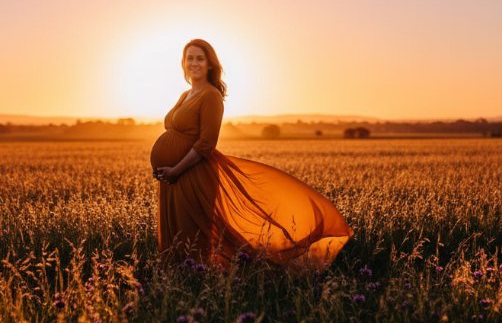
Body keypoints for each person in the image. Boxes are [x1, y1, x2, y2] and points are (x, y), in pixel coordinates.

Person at [150, 38, 353, 270]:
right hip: (172, 179)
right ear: (183, 63)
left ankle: (225, 275)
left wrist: (176, 169)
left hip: (191, 174)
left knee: (193, 234)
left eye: (199, 58)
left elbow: (206, 143)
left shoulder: (211, 96)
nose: (193, 63)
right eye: (189, 58)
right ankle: (176, 279)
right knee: (175, 235)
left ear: (210, 64)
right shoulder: (186, 94)